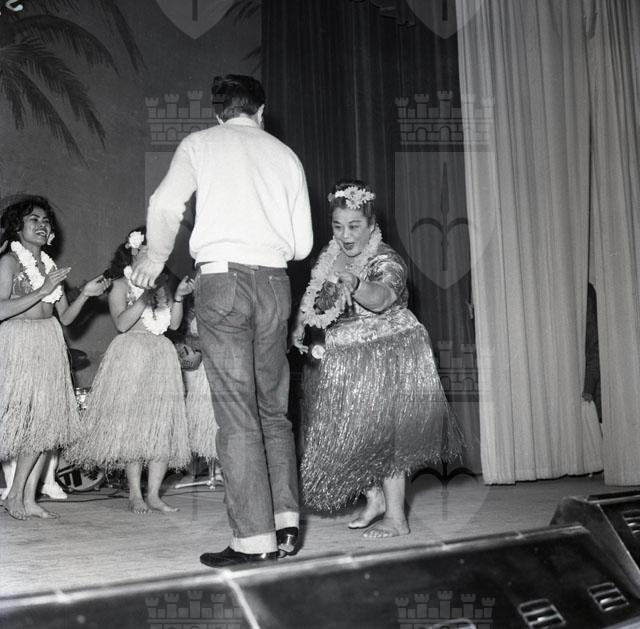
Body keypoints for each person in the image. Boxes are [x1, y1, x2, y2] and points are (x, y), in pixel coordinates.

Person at [131, 74, 313, 566]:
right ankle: (285, 524)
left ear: (218, 113)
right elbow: (302, 246)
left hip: (222, 279)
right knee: (273, 410)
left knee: (237, 415)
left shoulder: (200, 143)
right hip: (275, 283)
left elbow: (164, 204)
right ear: (261, 111)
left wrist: (154, 256)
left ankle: (253, 540)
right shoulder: (286, 155)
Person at [291, 180, 463, 539]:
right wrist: (301, 322)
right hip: (348, 353)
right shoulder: (330, 257)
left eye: (354, 226)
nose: (345, 235)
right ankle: (375, 499)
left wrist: (355, 284)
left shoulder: (386, 258)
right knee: (351, 432)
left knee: (386, 435)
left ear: (371, 225)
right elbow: (318, 299)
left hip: (388, 349)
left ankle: (397, 518)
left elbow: (383, 299)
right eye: (338, 226)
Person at [67, 228, 193, 514]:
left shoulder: (163, 284)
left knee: (161, 426)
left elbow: (173, 325)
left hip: (161, 356)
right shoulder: (120, 285)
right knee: (134, 427)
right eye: (149, 248)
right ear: (134, 250)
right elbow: (122, 324)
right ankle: (135, 493)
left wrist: (179, 298)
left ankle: (154, 495)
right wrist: (144, 296)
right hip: (131, 354)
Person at [0, 195, 110, 519]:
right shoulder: (9, 262)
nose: (42, 225)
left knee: (44, 425)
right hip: (18, 342)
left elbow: (67, 318)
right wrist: (41, 289)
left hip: (48, 342)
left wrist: (86, 294)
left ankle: (24, 497)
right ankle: (15, 495)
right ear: (17, 227)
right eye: (33, 219)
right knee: (25, 423)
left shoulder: (49, 267)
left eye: (45, 221)